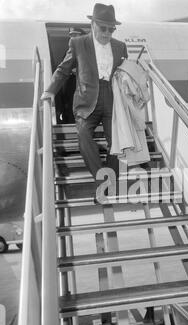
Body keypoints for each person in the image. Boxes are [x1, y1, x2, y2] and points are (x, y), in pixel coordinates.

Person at [41, 3, 128, 196]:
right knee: (83, 135)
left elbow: (124, 74)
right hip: (86, 99)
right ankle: (103, 181)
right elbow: (64, 69)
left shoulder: (120, 47)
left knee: (118, 141)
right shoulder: (78, 43)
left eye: (111, 29)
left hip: (111, 97)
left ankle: (107, 184)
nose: (107, 33)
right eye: (103, 28)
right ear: (93, 25)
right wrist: (50, 91)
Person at [61, 27, 86, 124]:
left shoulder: (89, 52)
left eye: (75, 35)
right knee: (70, 105)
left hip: (84, 85)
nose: (72, 37)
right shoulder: (69, 52)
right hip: (71, 83)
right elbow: (63, 68)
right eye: (71, 35)